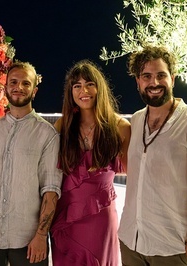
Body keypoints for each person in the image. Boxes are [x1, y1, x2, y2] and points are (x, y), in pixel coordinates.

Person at [118, 46, 187, 266]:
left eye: (161, 75)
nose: (154, 83)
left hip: (171, 249)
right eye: (147, 76)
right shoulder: (135, 121)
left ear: (172, 79)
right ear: (138, 81)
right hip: (130, 242)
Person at [0, 61, 62, 266]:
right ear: (5, 87)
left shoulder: (47, 134)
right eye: (13, 82)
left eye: (26, 83)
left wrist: (41, 236)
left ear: (34, 90)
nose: (19, 87)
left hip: (28, 240)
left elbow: (50, 190)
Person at [50, 59, 131, 265]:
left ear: (99, 88)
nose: (83, 90)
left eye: (89, 84)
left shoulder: (120, 127)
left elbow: (133, 170)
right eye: (77, 86)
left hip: (100, 218)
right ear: (71, 92)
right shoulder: (63, 126)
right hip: (65, 215)